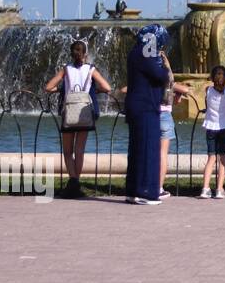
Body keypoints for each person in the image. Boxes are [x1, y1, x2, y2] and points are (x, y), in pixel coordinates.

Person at [43, 39, 112, 198]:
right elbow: (107, 88)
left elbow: (48, 87)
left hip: (69, 113)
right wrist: (94, 90)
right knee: (79, 150)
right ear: (85, 54)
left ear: (72, 54)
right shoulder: (91, 69)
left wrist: (60, 89)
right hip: (84, 113)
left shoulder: (65, 69)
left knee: (68, 151)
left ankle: (72, 181)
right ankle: (76, 183)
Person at [124, 24, 171, 205]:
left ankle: (133, 190)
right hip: (146, 107)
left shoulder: (135, 52)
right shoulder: (146, 53)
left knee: (136, 150)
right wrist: (166, 68)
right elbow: (160, 76)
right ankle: (146, 192)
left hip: (136, 106)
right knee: (148, 150)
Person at [199, 65, 225, 198]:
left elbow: (207, 106)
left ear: (212, 78)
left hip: (210, 126)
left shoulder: (207, 90)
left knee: (211, 158)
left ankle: (205, 188)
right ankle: (219, 189)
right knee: (222, 159)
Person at [157, 58, 193, 199]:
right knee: (162, 154)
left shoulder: (149, 80)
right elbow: (185, 90)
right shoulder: (169, 81)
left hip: (151, 115)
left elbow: (123, 89)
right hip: (165, 116)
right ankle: (159, 188)